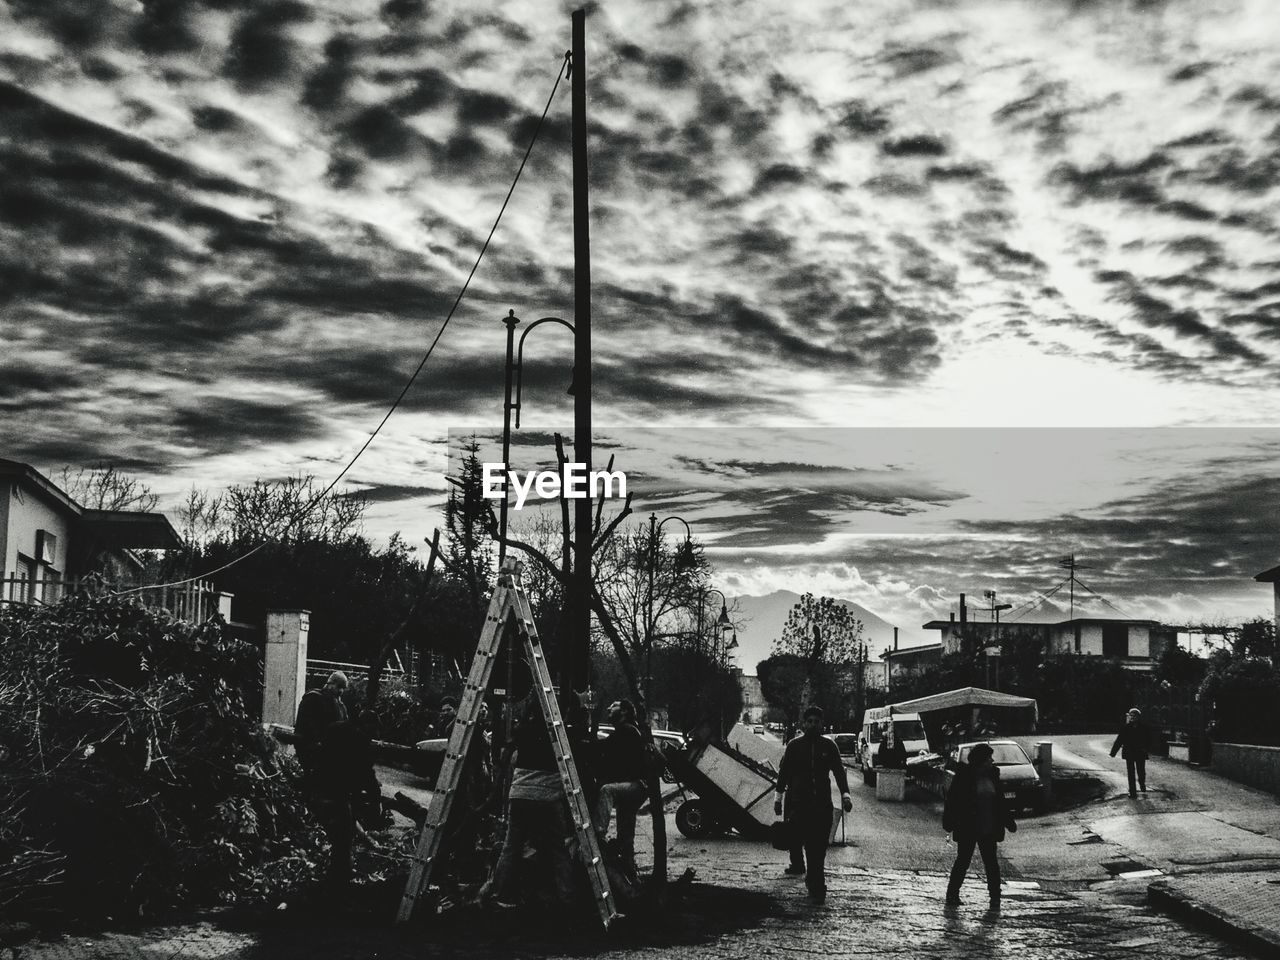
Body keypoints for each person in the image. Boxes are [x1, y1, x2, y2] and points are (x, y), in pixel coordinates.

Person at [481, 695, 575, 908]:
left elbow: (506, 756)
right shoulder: (558, 732)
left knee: (511, 845)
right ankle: (567, 897)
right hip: (549, 796)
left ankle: (500, 895)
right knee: (558, 849)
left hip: (520, 793)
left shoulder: (522, 731)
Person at [773, 705, 853, 903]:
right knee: (805, 844)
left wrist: (845, 794)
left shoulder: (829, 747)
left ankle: (816, 884)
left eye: (817, 722)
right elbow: (783, 773)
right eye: (810, 722)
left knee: (817, 849)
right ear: (804, 723)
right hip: (800, 806)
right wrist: (778, 797)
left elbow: (838, 772)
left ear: (821, 724)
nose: (813, 725)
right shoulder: (794, 746)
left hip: (822, 806)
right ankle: (814, 881)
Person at [308, 712, 382, 890]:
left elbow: (319, 752)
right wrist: (375, 798)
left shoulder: (336, 727)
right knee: (343, 836)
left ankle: (340, 874)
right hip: (338, 791)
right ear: (368, 725)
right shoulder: (361, 739)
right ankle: (338, 881)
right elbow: (366, 772)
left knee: (339, 835)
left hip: (320, 786)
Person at [943, 742, 1016, 909]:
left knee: (991, 863)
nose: (992, 760)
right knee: (963, 860)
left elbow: (1000, 802)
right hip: (968, 826)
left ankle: (995, 897)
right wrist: (950, 822)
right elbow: (953, 801)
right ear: (980, 760)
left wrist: (1008, 821)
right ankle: (952, 894)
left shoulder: (993, 776)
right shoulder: (964, 777)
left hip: (988, 827)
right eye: (989, 757)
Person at [593, 699, 646, 865]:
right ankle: (628, 863)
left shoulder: (626, 730)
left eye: (613, 706)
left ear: (623, 711)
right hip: (637, 786)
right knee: (626, 829)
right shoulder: (630, 730)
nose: (609, 708)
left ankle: (598, 834)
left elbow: (603, 748)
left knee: (606, 791)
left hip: (635, 785)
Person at [294, 671, 349, 777]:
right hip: (311, 745)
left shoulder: (340, 705)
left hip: (328, 747)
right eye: (339, 687)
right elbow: (307, 724)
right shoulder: (314, 698)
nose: (341, 691)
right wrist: (320, 740)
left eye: (343, 688)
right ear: (330, 684)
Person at [1110, 707, 1150, 798]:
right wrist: (1113, 752)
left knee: (1141, 771)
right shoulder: (1126, 728)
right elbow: (1119, 740)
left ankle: (1142, 783)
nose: (1132, 717)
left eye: (1134, 716)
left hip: (1140, 752)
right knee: (1130, 773)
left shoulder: (1144, 728)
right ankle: (1133, 792)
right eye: (1131, 716)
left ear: (1138, 717)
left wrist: (1146, 748)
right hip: (1129, 753)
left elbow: (1148, 740)